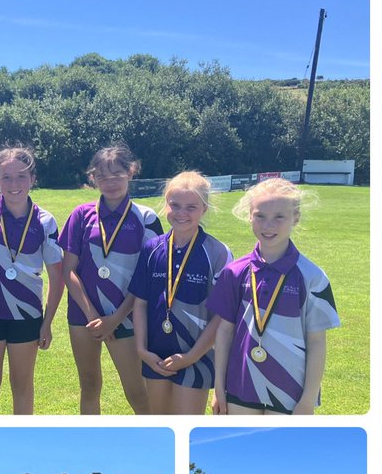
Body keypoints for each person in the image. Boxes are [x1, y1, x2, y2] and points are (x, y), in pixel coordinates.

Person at [209, 178, 340, 415]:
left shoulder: (312, 276)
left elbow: (317, 342)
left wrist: (308, 399)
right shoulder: (234, 272)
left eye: (279, 216)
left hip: (290, 393)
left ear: (295, 217)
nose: (268, 225)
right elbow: (224, 332)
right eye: (260, 216)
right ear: (249, 216)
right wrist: (218, 387)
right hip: (241, 387)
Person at [60, 144, 163, 414]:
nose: (110, 182)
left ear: (131, 172)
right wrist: (93, 315)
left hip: (126, 317)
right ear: (93, 178)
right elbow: (68, 270)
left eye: (117, 174)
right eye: (102, 176)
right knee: (89, 386)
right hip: (84, 316)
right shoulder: (81, 215)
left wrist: (115, 319)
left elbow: (148, 278)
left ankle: (153, 440)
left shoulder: (146, 218)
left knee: (137, 392)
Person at [129, 172, 231, 415]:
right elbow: (140, 303)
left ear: (204, 209)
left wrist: (191, 356)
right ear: (166, 205)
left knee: (185, 425)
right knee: (161, 424)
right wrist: (142, 350)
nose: (181, 213)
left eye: (191, 207)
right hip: (155, 355)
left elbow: (222, 315)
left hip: (196, 356)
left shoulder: (217, 253)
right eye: (175, 205)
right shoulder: (152, 249)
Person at [0, 146, 64, 414]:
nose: (14, 184)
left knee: (22, 386)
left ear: (32, 179)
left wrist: (47, 322)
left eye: (21, 176)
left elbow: (57, 277)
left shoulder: (45, 221)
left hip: (27, 316)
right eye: (7, 177)